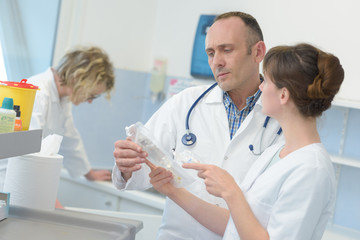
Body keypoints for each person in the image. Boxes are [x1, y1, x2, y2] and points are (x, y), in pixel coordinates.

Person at [112, 12, 283, 239]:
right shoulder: (185, 103)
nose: (216, 62)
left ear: (258, 52)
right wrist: (126, 166)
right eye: (211, 53)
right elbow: (143, 171)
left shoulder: (282, 118)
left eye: (227, 50)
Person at [148, 43, 344, 239]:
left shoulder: (311, 170)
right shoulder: (275, 153)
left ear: (283, 95)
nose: (260, 87)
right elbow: (234, 224)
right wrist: (173, 191)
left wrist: (231, 192)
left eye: (266, 81)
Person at [28, 46, 115, 182]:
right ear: (77, 79)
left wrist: (89, 173)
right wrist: (50, 200)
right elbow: (30, 153)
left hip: (29, 178)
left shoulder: (63, 98)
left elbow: (70, 140)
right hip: (10, 179)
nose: (90, 101)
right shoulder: (37, 92)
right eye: (91, 95)